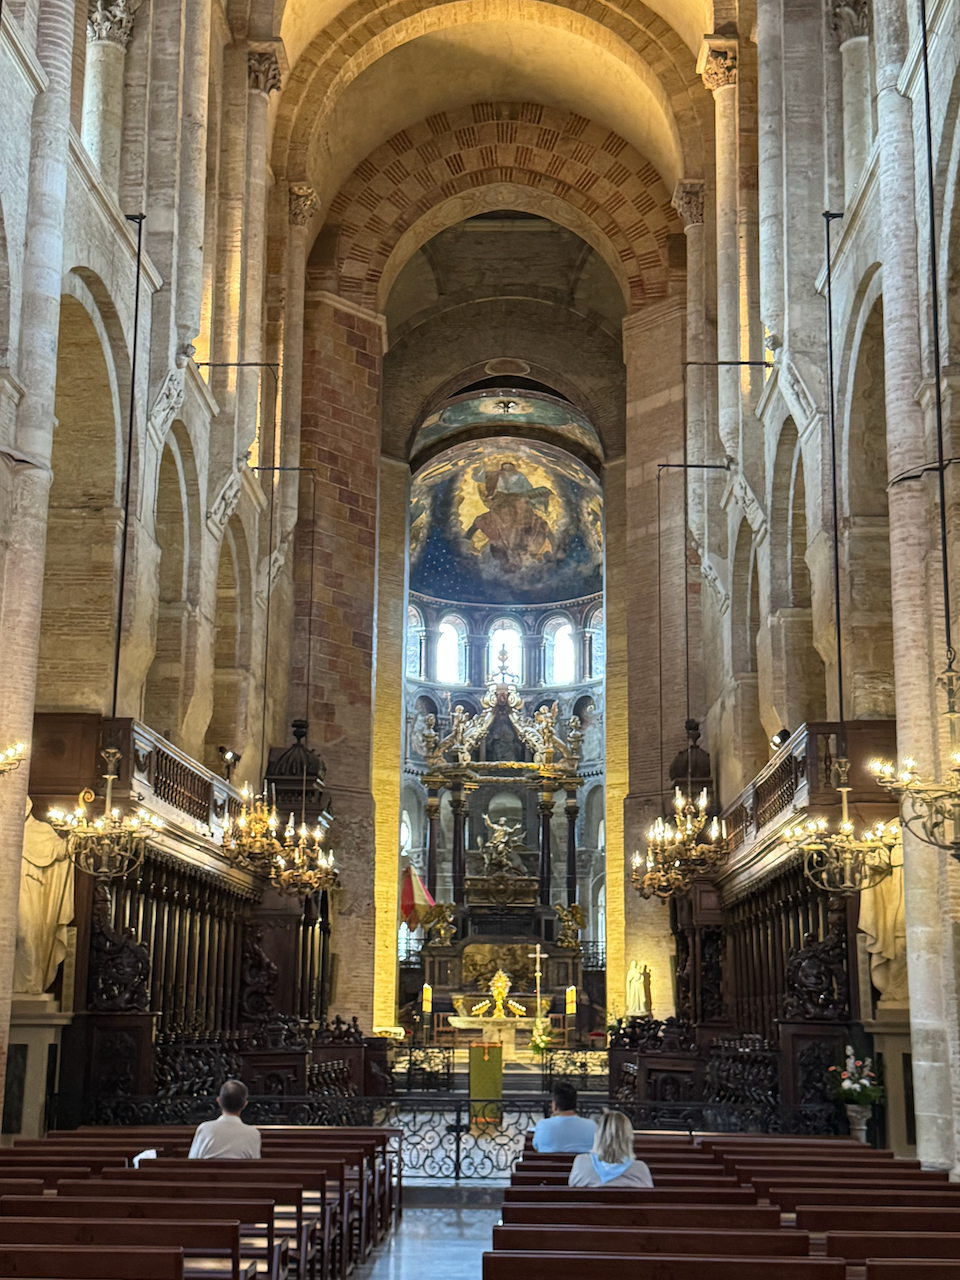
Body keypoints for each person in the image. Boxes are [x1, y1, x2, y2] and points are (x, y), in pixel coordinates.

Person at [568, 1109, 654, 1187]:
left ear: (598, 1135)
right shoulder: (640, 1169)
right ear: (628, 1138)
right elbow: (649, 1199)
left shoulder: (581, 1163)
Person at [188, 1079, 261, 1159]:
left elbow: (193, 1159)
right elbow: (254, 1165)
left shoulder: (205, 1128)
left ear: (219, 1101)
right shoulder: (253, 1134)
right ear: (244, 1104)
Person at [531, 1081, 597, 1152]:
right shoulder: (592, 1126)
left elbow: (536, 1146)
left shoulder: (543, 1125)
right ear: (575, 1104)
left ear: (555, 1105)